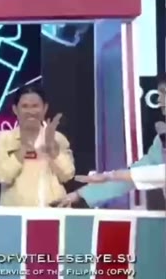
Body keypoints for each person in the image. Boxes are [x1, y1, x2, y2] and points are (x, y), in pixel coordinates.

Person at [54, 73, 166, 207]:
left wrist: (112, 176)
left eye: (164, 93)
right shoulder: (161, 140)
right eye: (159, 93)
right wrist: (80, 194)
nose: (159, 100)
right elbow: (137, 173)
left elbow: (156, 173)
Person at [0, 85, 75, 207]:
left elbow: (67, 175)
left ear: (45, 108)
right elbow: (3, 176)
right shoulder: (4, 139)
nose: (30, 111)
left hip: (54, 212)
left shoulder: (57, 138)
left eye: (35, 106)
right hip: (18, 214)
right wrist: (23, 149)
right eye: (25, 106)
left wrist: (52, 149)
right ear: (15, 109)